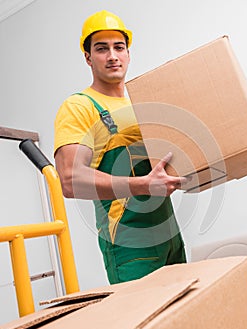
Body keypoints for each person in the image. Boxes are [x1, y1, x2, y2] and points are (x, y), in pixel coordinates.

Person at [54, 10, 189, 284]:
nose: (112, 55)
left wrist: (240, 125)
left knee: (184, 321)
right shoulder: (79, 106)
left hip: (169, 235)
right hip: (130, 246)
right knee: (146, 324)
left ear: (128, 53)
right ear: (88, 57)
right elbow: (70, 181)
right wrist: (142, 185)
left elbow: (183, 158)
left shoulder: (139, 105)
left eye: (119, 47)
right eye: (102, 49)